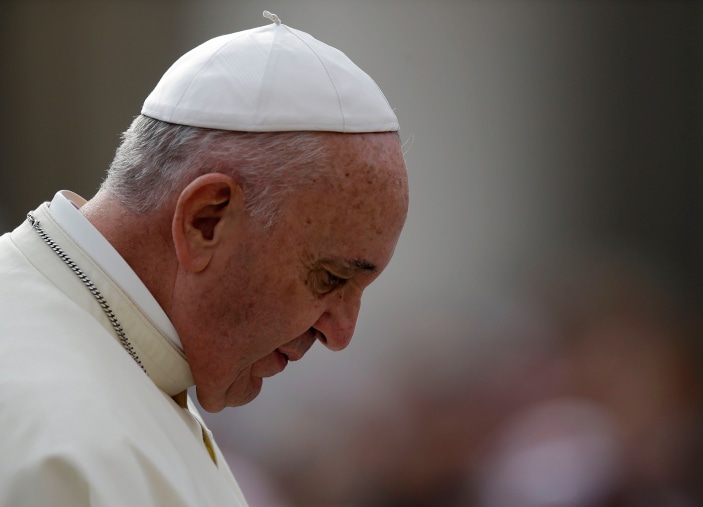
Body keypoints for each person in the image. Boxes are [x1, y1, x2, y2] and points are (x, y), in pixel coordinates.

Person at [0, 10, 408, 507]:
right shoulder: (65, 445)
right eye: (331, 278)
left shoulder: (131, 366)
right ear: (205, 220)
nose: (340, 334)